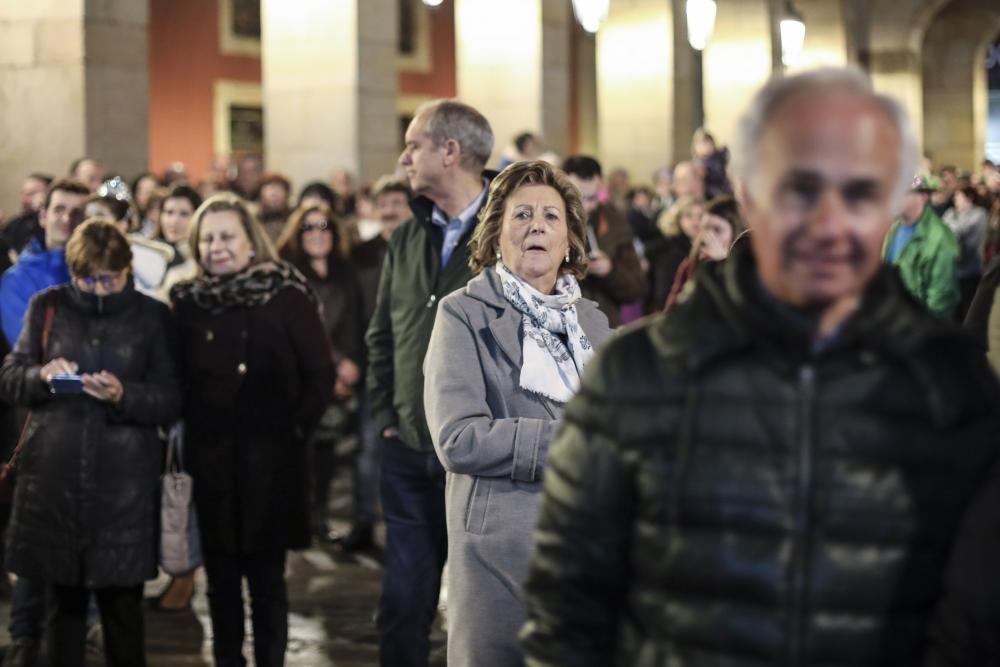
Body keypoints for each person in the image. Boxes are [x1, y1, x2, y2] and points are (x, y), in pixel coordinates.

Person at [520, 67, 1000, 666]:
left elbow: (977, 622)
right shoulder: (635, 376)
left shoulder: (951, 385)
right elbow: (567, 614)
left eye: (858, 189)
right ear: (750, 193)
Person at [424, 160, 612, 666]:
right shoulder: (462, 313)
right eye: (522, 215)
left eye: (552, 217)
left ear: (570, 239)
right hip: (501, 552)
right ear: (495, 236)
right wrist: (570, 443)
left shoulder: (593, 324)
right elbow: (458, 437)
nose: (537, 227)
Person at [0, 218, 181, 667]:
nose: (99, 290)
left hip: (123, 489)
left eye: (110, 279)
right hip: (55, 483)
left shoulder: (151, 316)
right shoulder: (47, 307)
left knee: (123, 614)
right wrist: (39, 375)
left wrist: (125, 394)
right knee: (64, 613)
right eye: (88, 279)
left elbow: (172, 397)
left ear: (127, 269)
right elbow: (10, 377)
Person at [171, 193, 334, 667]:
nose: (216, 247)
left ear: (250, 242)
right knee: (220, 579)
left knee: (266, 580)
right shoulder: (186, 300)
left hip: (272, 459)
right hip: (211, 457)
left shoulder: (285, 292)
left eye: (226, 237)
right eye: (207, 238)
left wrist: (293, 430)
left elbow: (320, 373)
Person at [366, 98, 494, 667]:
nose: (403, 156)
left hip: (480, 460)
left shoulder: (513, 232)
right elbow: (381, 337)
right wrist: (387, 418)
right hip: (409, 448)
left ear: (451, 150)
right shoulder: (406, 237)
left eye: (414, 143)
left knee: (483, 612)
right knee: (402, 601)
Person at [275, 204, 364, 543]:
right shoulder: (290, 276)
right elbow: (302, 329)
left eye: (323, 227)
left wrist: (352, 364)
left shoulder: (345, 273)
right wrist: (335, 364)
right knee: (298, 452)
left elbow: (356, 321)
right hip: (301, 377)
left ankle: (318, 517)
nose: (317, 234)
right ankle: (294, 519)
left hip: (338, 379)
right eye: (309, 228)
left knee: (326, 452)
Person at [344, 175, 411, 551]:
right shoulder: (361, 255)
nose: (389, 210)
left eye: (397, 203)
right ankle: (364, 522)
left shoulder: (425, 250)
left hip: (415, 367)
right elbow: (353, 312)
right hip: (375, 366)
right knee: (369, 446)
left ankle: (405, 525)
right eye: (384, 203)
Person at [0, 179, 88, 348]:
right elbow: (30, 349)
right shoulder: (15, 280)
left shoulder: (103, 272)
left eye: (77, 213)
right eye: (59, 209)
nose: (66, 219)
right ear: (42, 216)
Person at [561, 156, 645, 327]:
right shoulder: (547, 220)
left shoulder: (615, 222)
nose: (584, 207)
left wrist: (610, 271)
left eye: (591, 198)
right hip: (558, 325)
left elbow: (636, 287)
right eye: (576, 198)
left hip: (602, 324)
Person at [883, 174, 961, 318]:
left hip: (918, 327)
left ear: (923, 197)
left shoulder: (940, 237)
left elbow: (941, 298)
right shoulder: (895, 229)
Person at [664, 195, 744, 311]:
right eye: (705, 228)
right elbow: (672, 310)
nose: (707, 236)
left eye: (717, 229)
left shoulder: (749, 268)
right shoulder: (689, 264)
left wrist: (724, 263)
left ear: (736, 231)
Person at [647, 196, 705, 312]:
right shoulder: (669, 250)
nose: (695, 221)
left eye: (700, 217)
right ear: (678, 219)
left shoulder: (706, 248)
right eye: (689, 216)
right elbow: (664, 296)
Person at [943, 185, 989, 320]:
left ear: (969, 198)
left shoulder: (979, 214)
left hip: (971, 268)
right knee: (954, 310)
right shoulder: (950, 212)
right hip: (952, 269)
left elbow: (959, 231)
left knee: (969, 309)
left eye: (958, 196)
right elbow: (942, 231)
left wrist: (949, 227)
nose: (955, 198)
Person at [153, 185, 203, 303]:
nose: (174, 221)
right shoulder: (148, 252)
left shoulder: (204, 260)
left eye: (184, 214)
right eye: (169, 212)